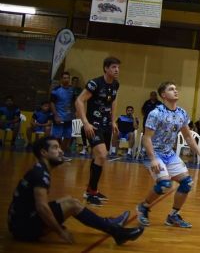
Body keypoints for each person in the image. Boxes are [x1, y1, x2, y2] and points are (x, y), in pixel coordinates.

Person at [8, 136, 144, 245]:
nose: (61, 151)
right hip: (22, 229)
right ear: (43, 153)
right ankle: (117, 233)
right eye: (55, 148)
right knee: (72, 205)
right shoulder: (40, 174)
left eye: (59, 147)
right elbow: (42, 208)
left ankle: (108, 224)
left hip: (20, 222)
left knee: (69, 200)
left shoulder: (39, 169)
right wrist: (60, 231)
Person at [137, 82, 200, 228]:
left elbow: (188, 136)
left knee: (187, 183)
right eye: (171, 89)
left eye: (176, 89)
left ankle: (173, 216)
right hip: (153, 153)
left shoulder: (182, 113)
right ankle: (143, 207)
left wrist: (199, 152)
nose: (176, 91)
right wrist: (153, 159)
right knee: (165, 184)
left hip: (169, 153)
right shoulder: (155, 113)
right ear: (163, 95)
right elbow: (146, 138)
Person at [74, 56, 121, 206]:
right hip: (93, 125)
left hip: (106, 125)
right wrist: (85, 123)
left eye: (118, 67)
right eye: (113, 67)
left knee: (99, 157)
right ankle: (90, 193)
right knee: (101, 154)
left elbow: (113, 101)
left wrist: (113, 120)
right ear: (106, 68)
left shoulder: (115, 84)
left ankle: (91, 190)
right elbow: (79, 101)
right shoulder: (95, 83)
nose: (117, 70)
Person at [50, 72, 75, 157]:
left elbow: (74, 102)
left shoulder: (72, 90)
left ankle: (61, 153)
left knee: (68, 136)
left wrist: (75, 112)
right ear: (61, 79)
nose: (66, 79)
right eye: (64, 78)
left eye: (68, 78)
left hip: (69, 117)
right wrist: (56, 115)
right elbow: (52, 103)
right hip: (59, 117)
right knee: (57, 137)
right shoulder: (56, 90)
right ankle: (55, 153)